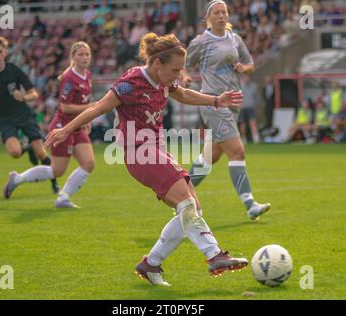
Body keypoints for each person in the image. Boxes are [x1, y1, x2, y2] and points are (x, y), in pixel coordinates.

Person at [44, 32, 248, 286]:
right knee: (186, 203)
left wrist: (216, 100)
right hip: (139, 152)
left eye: (180, 69)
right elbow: (98, 108)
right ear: (156, 63)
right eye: (175, 69)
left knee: (193, 207)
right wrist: (66, 129)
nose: (177, 75)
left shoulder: (163, 79)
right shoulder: (130, 82)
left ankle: (151, 264)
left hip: (157, 150)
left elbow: (182, 93)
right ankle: (214, 254)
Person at [181, 0, 270, 221]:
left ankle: (180, 194)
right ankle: (250, 204)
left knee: (211, 156)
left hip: (234, 103)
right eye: (217, 13)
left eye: (224, 12)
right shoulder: (201, 42)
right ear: (208, 18)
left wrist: (243, 67)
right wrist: (184, 76)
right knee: (237, 151)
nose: (221, 16)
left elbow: (250, 64)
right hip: (213, 103)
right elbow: (183, 63)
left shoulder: (235, 39)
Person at [3, 42, 95, 208]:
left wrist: (86, 119)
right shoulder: (69, 79)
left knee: (89, 163)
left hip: (77, 127)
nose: (85, 57)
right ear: (73, 57)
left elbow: (83, 101)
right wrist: (90, 108)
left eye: (87, 54)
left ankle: (63, 197)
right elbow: (65, 107)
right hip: (63, 128)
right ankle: (17, 179)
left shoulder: (87, 75)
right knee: (57, 170)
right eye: (81, 54)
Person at [0, 36, 59, 194]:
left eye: (0, 51)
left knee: (41, 152)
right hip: (5, 119)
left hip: (25, 115)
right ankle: (26, 148)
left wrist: (24, 97)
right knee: (14, 153)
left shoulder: (14, 70)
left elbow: (34, 94)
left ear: (5, 52)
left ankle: (54, 182)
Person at [238, 75, 260, 144]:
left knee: (253, 123)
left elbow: (257, 98)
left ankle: (256, 139)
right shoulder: (239, 86)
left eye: (248, 77)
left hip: (251, 107)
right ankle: (244, 139)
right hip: (242, 108)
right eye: (245, 77)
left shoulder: (254, 86)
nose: (247, 79)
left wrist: (256, 106)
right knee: (243, 124)